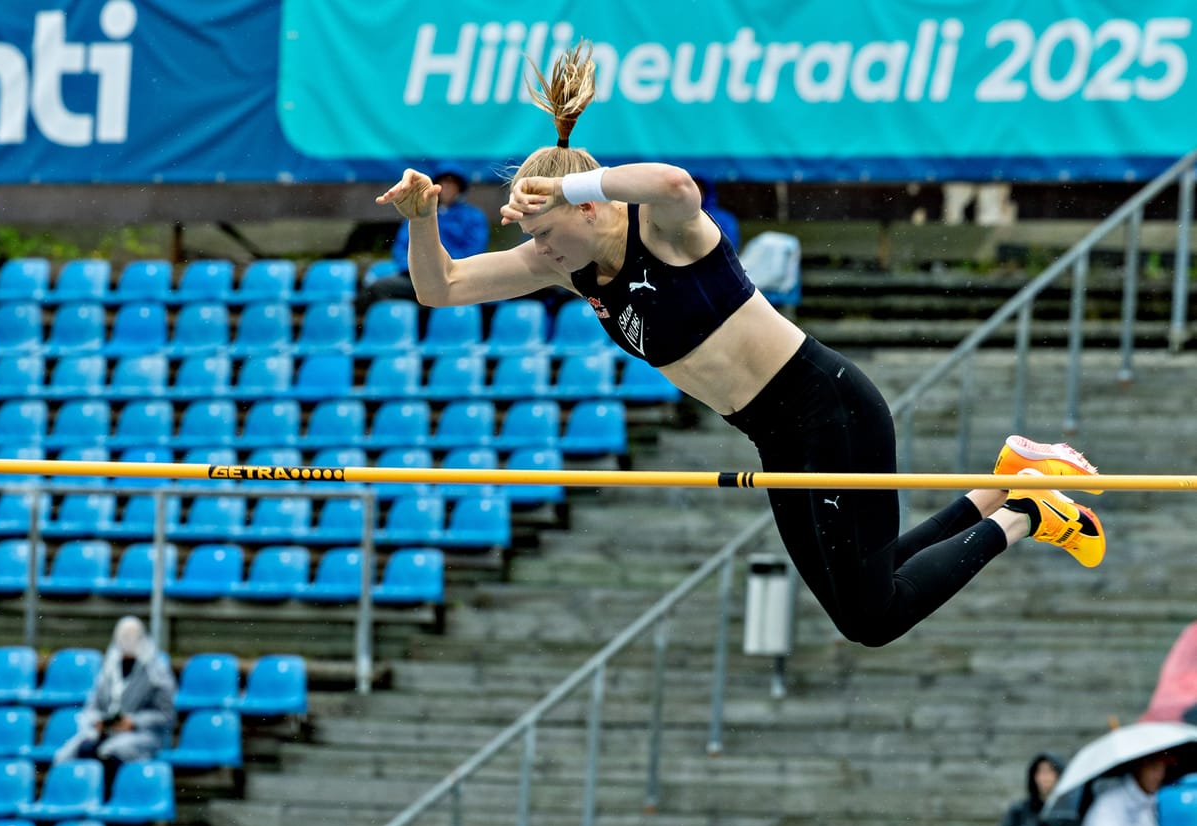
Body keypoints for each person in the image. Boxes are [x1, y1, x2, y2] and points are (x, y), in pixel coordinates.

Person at [375, 41, 1106, 648]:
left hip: (830, 410)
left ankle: (1028, 513)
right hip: (775, 438)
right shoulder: (561, 265)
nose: (537, 250)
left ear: (589, 206)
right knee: (862, 608)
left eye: (544, 230)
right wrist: (421, 218)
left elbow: (672, 181)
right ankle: (1006, 483)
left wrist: (563, 191)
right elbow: (440, 288)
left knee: (875, 617)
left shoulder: (662, 229)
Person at [55, 616, 176, 783]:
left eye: (131, 636)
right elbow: (91, 707)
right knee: (78, 751)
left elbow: (166, 716)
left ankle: (109, 800)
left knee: (110, 754)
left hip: (141, 735)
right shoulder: (108, 668)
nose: (127, 641)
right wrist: (99, 721)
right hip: (105, 731)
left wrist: (132, 722)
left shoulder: (156, 672)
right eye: (123, 636)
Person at [358, 161, 490, 312]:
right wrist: (415, 269)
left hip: (452, 279)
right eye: (443, 182)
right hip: (415, 279)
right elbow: (401, 247)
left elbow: (474, 251)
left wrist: (441, 266)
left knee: (437, 302)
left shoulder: (473, 216)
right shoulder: (420, 211)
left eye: (452, 183)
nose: (447, 187)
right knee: (378, 289)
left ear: (460, 188)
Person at [1077, 752, 1174, 826]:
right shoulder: (1109, 803)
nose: (1159, 776)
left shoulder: (1150, 803)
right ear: (1139, 768)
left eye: (1163, 769)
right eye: (1154, 768)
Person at [998, 752, 1072, 826]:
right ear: (1034, 776)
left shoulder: (1069, 813)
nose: (1045, 777)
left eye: (1050, 771)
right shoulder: (1019, 811)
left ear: (1059, 775)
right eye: (1040, 771)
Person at [694, 176, 741, 252]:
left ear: (705, 192)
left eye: (698, 189)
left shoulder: (724, 217)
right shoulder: (677, 215)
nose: (693, 194)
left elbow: (730, 245)